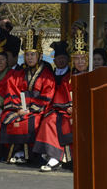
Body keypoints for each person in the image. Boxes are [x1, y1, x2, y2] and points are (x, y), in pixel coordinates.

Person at [0, 28, 56, 163]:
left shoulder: (47, 75)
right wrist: (18, 109)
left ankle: (27, 155)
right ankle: (15, 151)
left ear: (40, 56)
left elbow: (47, 95)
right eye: (27, 55)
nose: (30, 58)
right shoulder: (19, 74)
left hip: (37, 110)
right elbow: (12, 90)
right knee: (9, 118)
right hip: (19, 107)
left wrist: (30, 109)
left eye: (33, 55)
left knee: (30, 121)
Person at [34, 35, 87, 171]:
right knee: (50, 119)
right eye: (77, 59)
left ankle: (77, 158)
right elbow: (62, 96)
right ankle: (54, 157)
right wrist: (69, 107)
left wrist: (78, 108)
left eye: (83, 58)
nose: (80, 62)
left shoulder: (94, 76)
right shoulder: (67, 78)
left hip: (87, 111)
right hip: (66, 110)